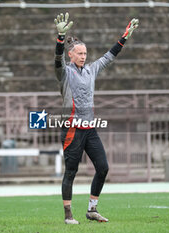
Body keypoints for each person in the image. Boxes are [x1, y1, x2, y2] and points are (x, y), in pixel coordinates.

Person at [54, 12, 139, 224]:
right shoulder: (64, 72)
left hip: (89, 129)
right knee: (71, 172)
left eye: (85, 53)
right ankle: (68, 214)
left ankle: (92, 210)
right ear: (71, 56)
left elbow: (110, 56)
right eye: (79, 53)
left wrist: (124, 37)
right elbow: (57, 59)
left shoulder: (92, 70)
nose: (84, 56)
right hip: (72, 129)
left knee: (103, 167)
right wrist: (60, 39)